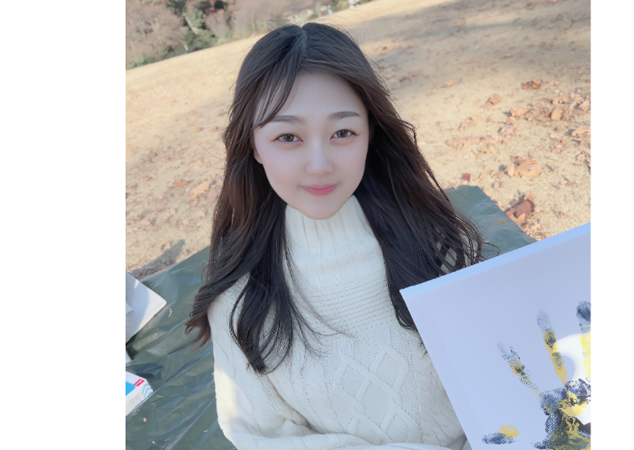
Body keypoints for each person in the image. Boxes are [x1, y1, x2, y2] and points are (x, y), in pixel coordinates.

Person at [185, 22, 490, 450]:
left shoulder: (432, 239)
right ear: (253, 145)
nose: (319, 164)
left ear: (370, 133)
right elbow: (263, 435)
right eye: (287, 136)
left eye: (342, 133)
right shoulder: (237, 295)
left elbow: (495, 369)